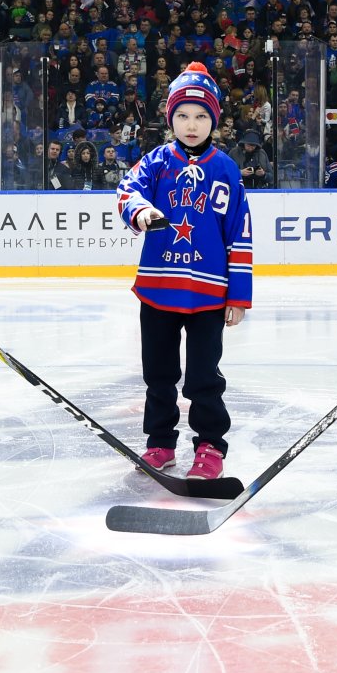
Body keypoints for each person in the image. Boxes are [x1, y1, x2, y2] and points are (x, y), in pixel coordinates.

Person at [115, 62, 253, 481]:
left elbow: (239, 233)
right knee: (159, 373)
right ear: (170, 118)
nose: (191, 125)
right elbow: (127, 190)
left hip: (209, 294)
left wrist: (239, 296)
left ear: (214, 119)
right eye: (182, 116)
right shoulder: (157, 161)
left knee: (202, 377)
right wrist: (140, 211)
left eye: (200, 116)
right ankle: (160, 442)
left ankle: (210, 445)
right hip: (158, 288)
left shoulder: (226, 169)